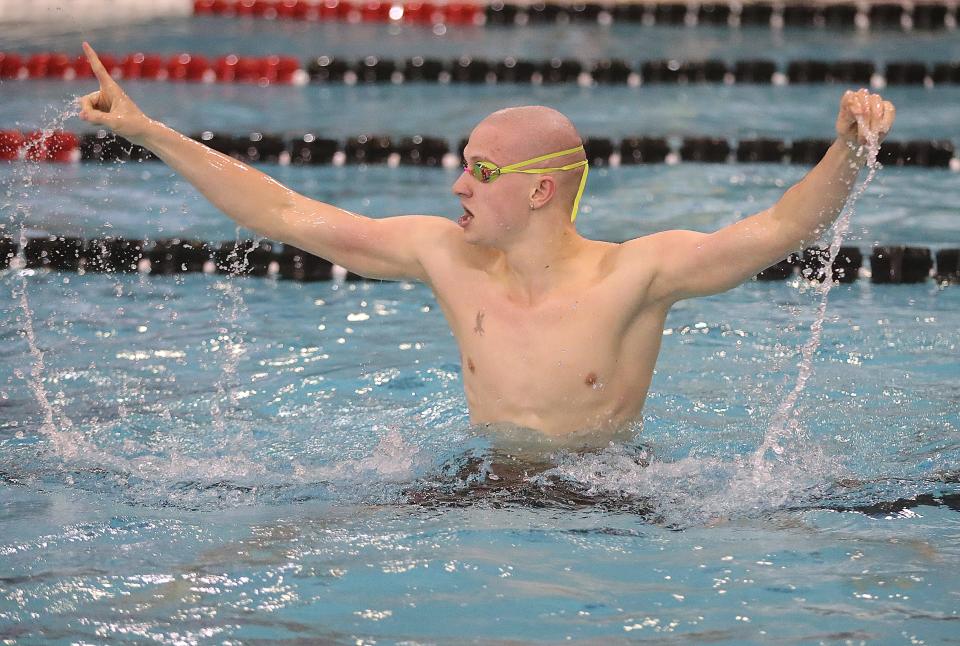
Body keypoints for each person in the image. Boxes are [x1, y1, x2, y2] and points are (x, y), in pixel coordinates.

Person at [77, 42, 895, 447]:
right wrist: (151, 132)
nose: (459, 186)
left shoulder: (636, 273)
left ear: (540, 189)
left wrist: (848, 150)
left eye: (480, 169)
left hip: (608, 510)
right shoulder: (445, 256)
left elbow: (784, 226)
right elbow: (285, 213)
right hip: (478, 489)